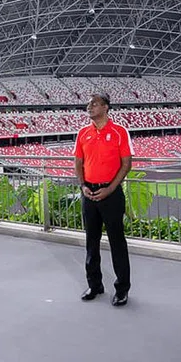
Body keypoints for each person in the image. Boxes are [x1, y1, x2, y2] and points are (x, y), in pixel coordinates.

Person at [74, 92, 133, 306]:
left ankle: (122, 289)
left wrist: (109, 189)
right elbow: (78, 162)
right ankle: (95, 285)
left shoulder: (119, 132)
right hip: (89, 193)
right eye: (88, 104)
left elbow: (126, 164)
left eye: (95, 103)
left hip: (111, 194)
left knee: (117, 242)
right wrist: (83, 185)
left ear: (106, 107)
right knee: (91, 241)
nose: (90, 107)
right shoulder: (82, 133)